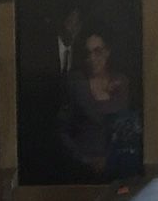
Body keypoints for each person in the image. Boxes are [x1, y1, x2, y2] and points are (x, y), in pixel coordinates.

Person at [57, 31, 139, 176]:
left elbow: (130, 126)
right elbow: (62, 130)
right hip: (82, 168)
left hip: (120, 166)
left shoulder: (122, 82)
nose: (92, 58)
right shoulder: (75, 84)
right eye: (88, 53)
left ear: (107, 52)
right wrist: (85, 159)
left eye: (98, 51)